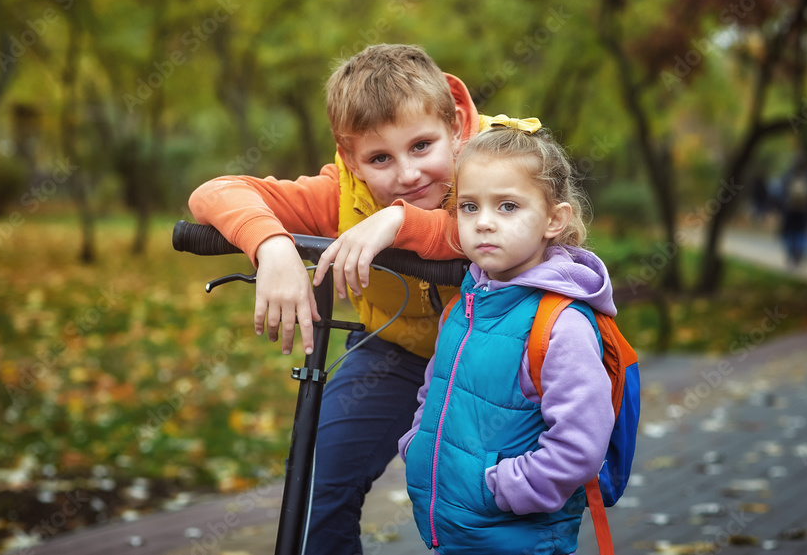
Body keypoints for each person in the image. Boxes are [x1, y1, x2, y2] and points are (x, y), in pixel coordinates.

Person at [188, 44, 481, 555]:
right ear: (350, 158)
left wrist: (398, 220)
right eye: (380, 158)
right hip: (400, 349)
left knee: (473, 501)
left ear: (455, 128)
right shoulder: (343, 192)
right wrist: (272, 244)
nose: (408, 175)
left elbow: (512, 231)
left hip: (497, 357)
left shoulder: (501, 159)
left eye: (422, 146)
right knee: (317, 476)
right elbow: (215, 192)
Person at [399, 126, 615, 555]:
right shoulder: (463, 306)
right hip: (453, 533)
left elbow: (580, 444)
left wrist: (503, 488)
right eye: (468, 206)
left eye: (508, 206)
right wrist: (418, 446)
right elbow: (433, 392)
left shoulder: (559, 324)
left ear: (554, 219)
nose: (483, 222)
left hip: (518, 538)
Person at [779, 156, 807, 267]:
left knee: (790, 233)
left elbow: (782, 194)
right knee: (803, 231)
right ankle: (801, 252)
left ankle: (791, 254)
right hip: (805, 210)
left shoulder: (788, 176)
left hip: (790, 210)